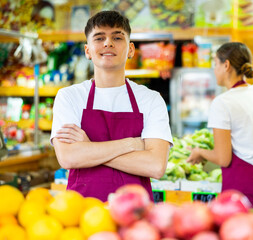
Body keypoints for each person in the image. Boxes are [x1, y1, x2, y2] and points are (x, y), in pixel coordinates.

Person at [50, 10, 172, 202]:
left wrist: (89, 148)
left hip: (135, 215)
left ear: (131, 49)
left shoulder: (151, 99)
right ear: (87, 51)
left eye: (117, 37)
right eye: (99, 38)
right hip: (81, 213)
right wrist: (130, 144)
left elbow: (155, 166)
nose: (108, 43)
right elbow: (68, 158)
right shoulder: (70, 96)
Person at [187, 42, 253, 219]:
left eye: (215, 64)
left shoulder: (222, 103)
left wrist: (200, 152)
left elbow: (223, 158)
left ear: (226, 65)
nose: (214, 70)